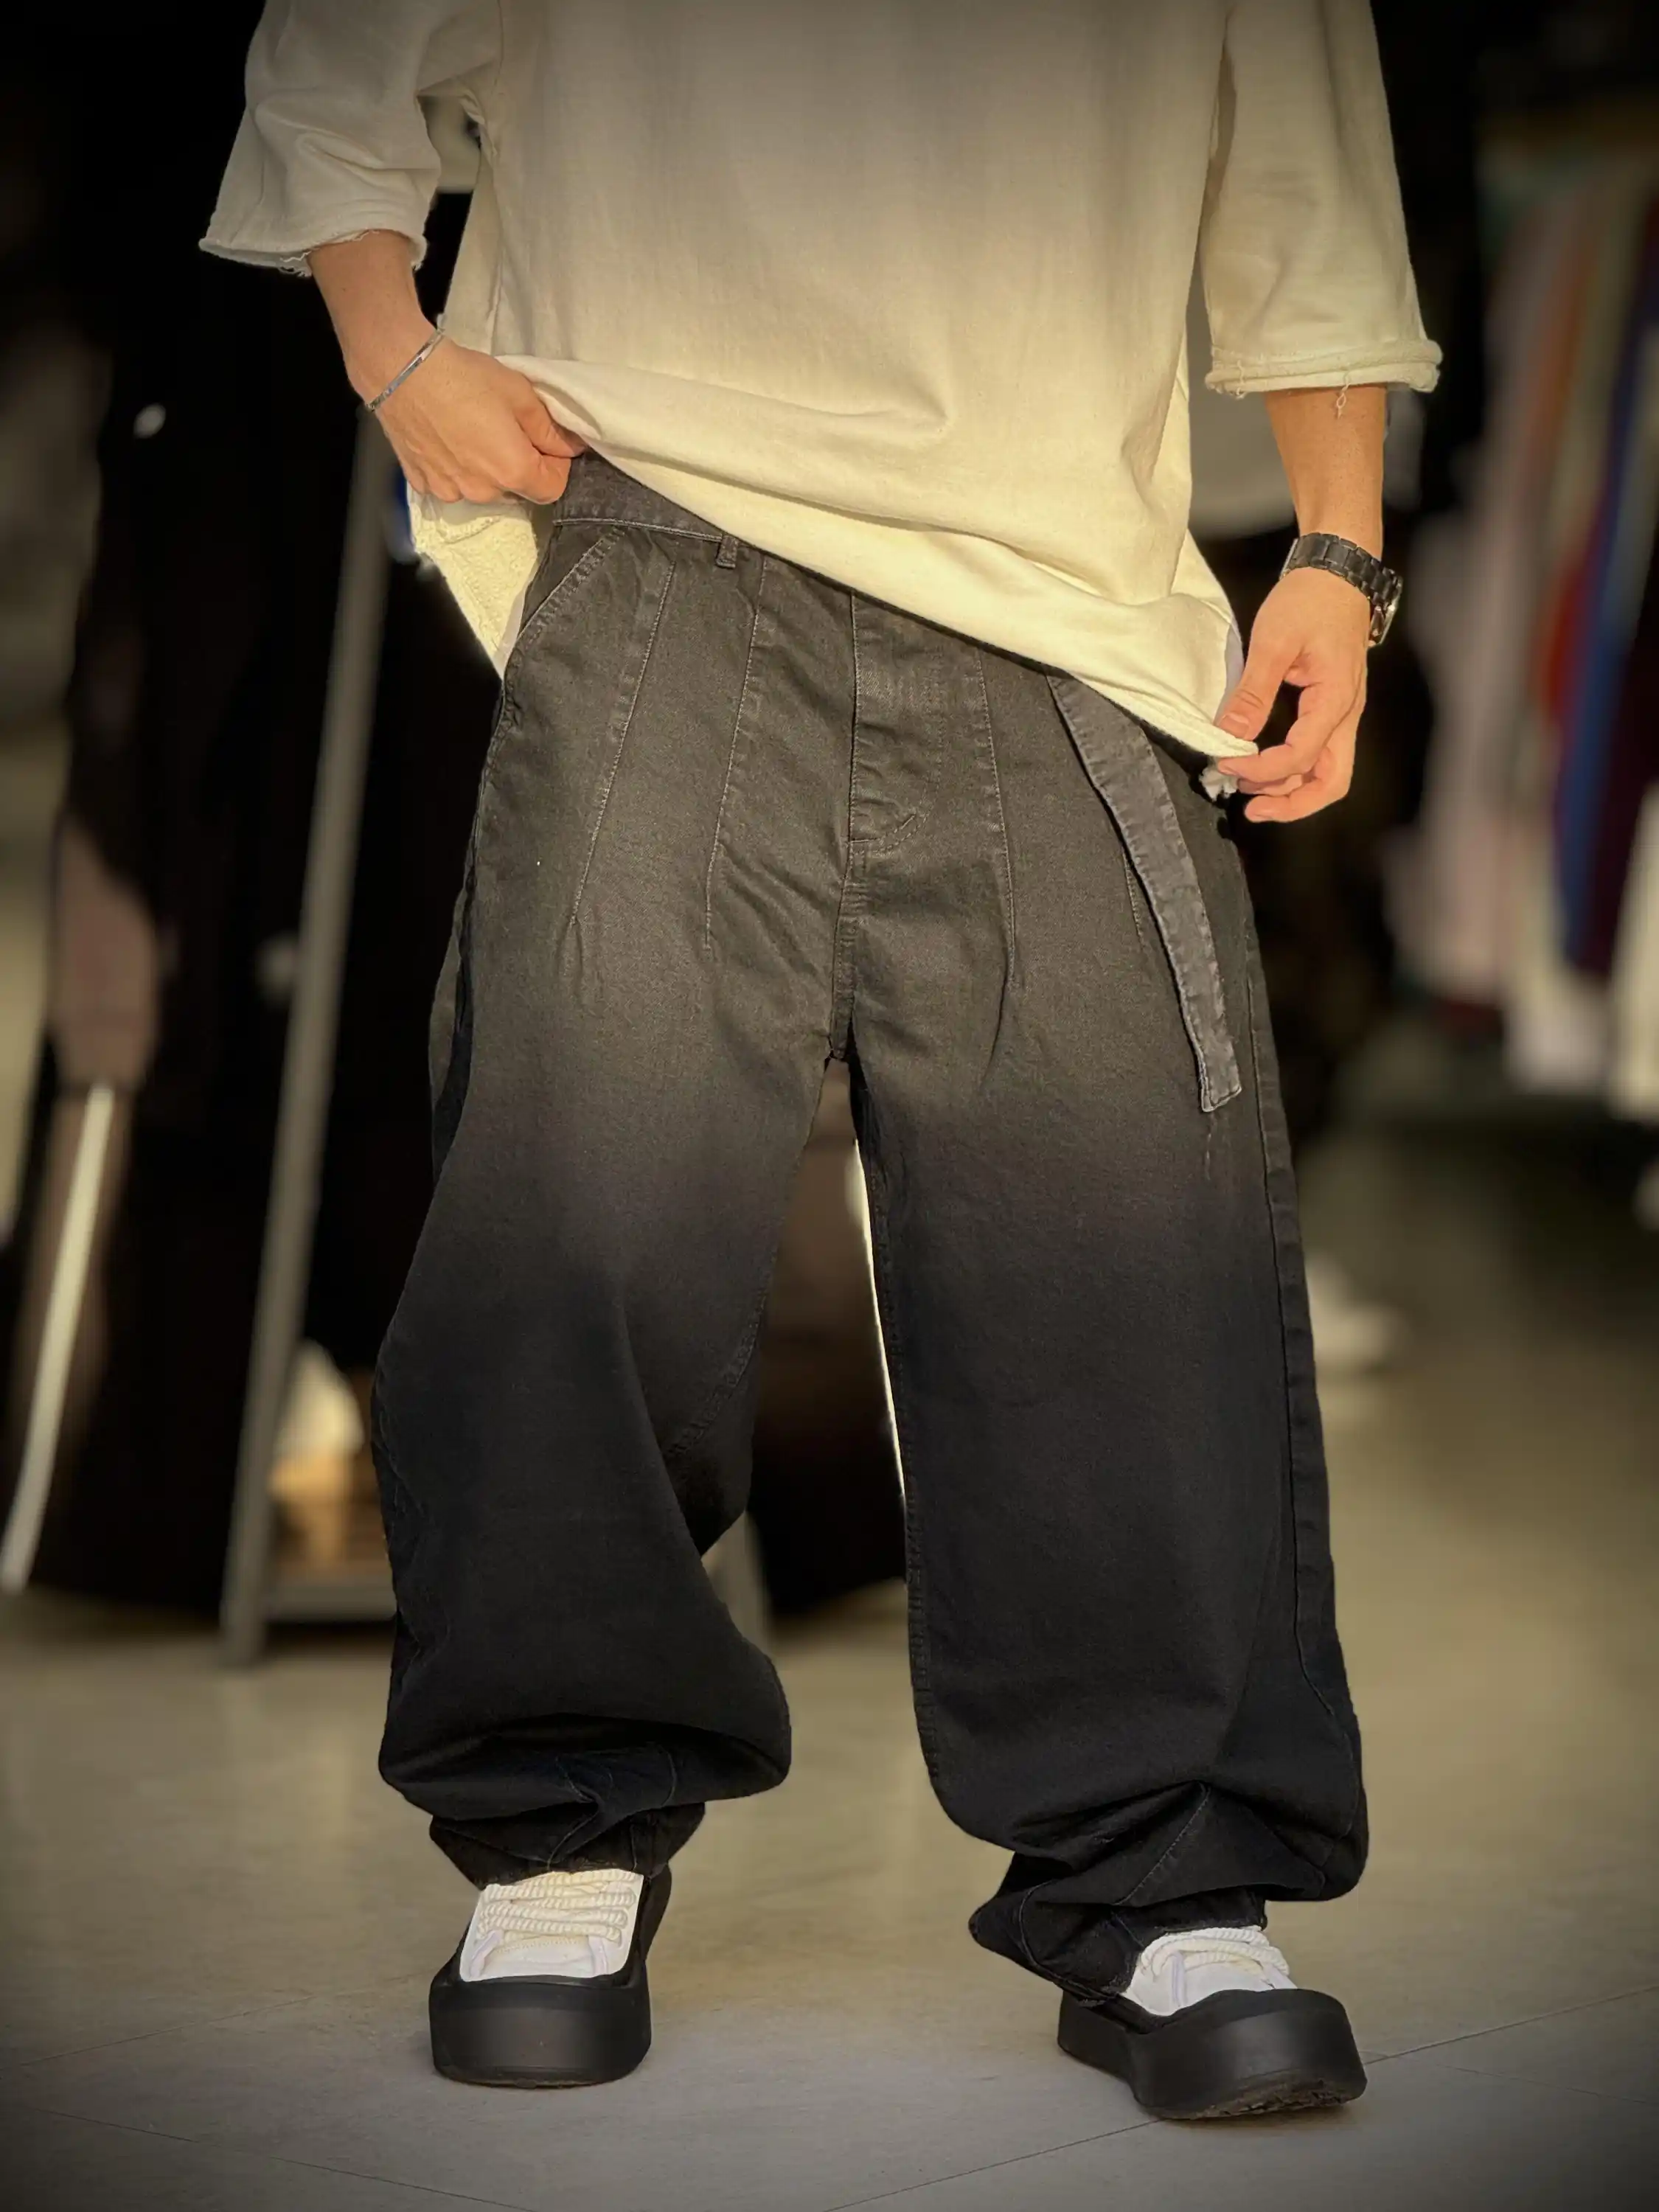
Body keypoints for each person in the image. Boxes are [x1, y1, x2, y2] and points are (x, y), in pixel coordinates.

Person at [204, 0, 1439, 2121]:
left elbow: (1307, 162)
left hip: (1063, 588)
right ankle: (561, 1823)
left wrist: (1334, 545)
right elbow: (338, 43)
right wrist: (387, 345)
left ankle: (1167, 1876)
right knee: (579, 1203)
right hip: (658, 524)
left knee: (1117, 1241)